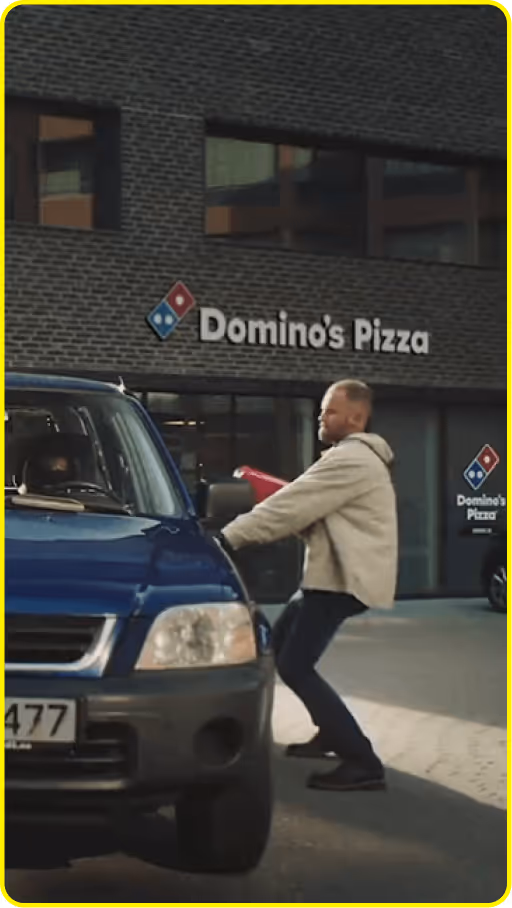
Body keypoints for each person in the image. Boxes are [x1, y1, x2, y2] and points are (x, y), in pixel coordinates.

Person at [220, 379, 398, 792]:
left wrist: (226, 538)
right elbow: (309, 514)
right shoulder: (348, 458)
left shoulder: (352, 460)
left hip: (342, 580)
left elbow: (290, 506)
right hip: (329, 577)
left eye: (331, 411)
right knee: (282, 650)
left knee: (295, 665)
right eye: (321, 410)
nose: (322, 417)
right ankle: (331, 734)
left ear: (357, 417)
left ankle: (362, 760)